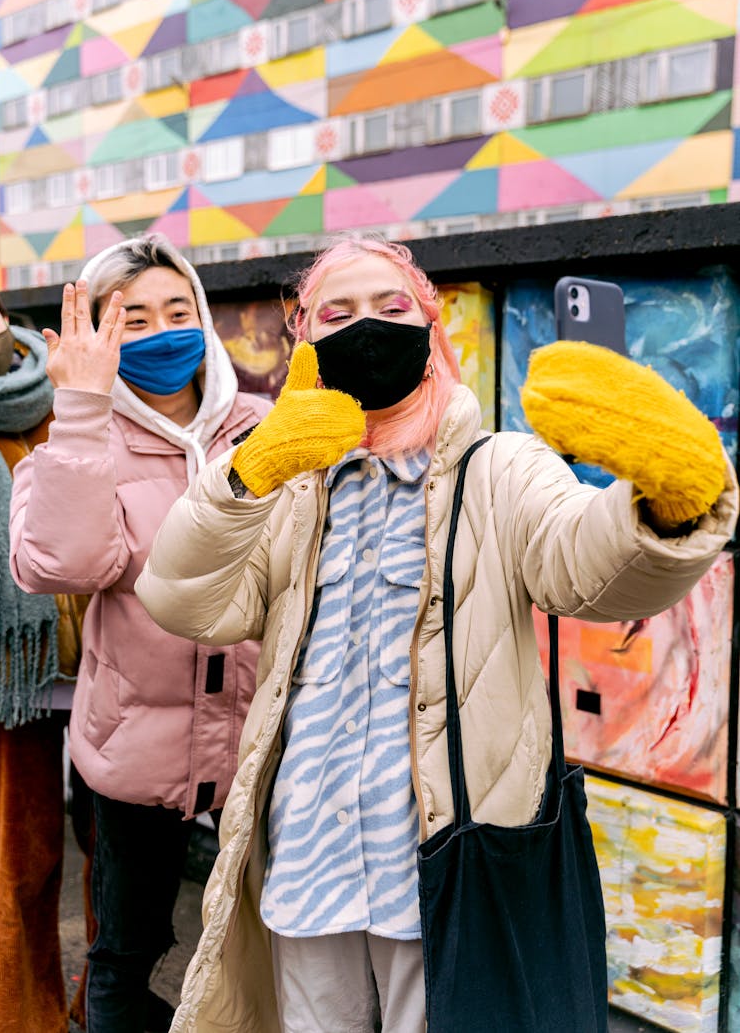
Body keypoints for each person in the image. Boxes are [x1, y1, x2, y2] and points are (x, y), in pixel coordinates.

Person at [136, 234, 738, 1033]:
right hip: (305, 861)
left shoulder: (502, 469)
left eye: (391, 308)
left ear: (430, 327)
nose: (368, 328)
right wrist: (246, 473)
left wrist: (671, 501)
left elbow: (585, 563)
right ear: (305, 341)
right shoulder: (285, 488)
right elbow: (182, 598)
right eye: (337, 313)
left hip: (443, 870)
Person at [8, 235, 270, 1033]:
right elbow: (61, 562)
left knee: (273, 940)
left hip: (261, 746)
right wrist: (82, 412)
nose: (163, 333)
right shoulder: (84, 441)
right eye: (134, 320)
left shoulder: (265, 427)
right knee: (130, 948)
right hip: (135, 753)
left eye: (177, 310)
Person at [0, 288, 92, 1033]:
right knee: (17, 867)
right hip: (5, 686)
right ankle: (23, 1016)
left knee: (110, 866)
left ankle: (105, 1004)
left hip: (101, 661)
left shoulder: (67, 388)